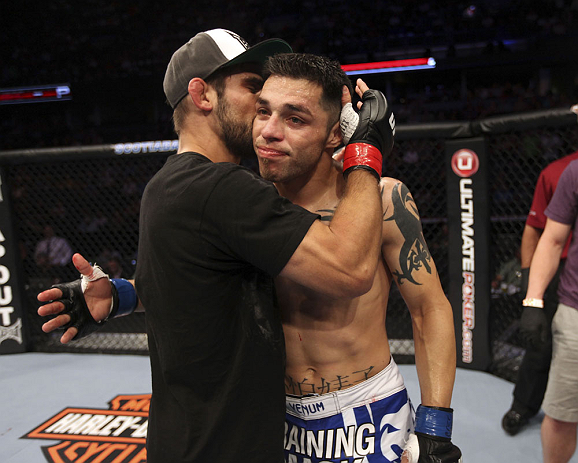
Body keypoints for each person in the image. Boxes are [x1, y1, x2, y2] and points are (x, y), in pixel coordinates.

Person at [37, 29, 394, 463]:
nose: (263, 105)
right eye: (251, 87)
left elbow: (194, 283)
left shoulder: (165, 185)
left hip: (185, 441)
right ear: (203, 95)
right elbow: (350, 269)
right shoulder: (224, 189)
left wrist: (121, 295)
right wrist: (367, 148)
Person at [254, 53, 460, 463]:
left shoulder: (384, 198)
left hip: (369, 414)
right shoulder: (246, 207)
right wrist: (122, 295)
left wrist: (434, 426)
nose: (269, 132)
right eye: (263, 111)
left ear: (337, 133)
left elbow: (429, 308)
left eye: (295, 118)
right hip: (277, 417)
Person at [502, 150, 578, 435]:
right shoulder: (560, 171)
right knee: (540, 345)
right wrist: (527, 277)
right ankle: (522, 406)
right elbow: (536, 229)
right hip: (557, 271)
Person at [522, 159, 578, 463]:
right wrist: (533, 300)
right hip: (575, 310)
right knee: (562, 413)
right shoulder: (574, 172)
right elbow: (552, 239)